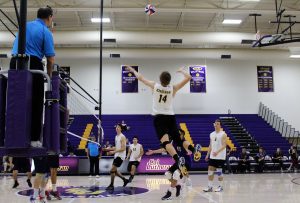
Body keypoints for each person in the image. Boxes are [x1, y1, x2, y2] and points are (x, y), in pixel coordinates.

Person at [126, 66, 201, 170]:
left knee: (165, 143)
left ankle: (178, 159)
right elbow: (189, 77)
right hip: (170, 117)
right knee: (179, 140)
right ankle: (193, 150)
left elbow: (140, 77)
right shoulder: (173, 88)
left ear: (160, 79)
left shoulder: (154, 85)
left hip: (159, 118)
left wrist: (133, 70)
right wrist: (181, 71)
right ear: (169, 80)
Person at [10, 6, 55, 148]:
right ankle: (34, 139)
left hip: (15, 62)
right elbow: (51, 59)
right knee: (36, 102)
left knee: (14, 101)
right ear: (49, 17)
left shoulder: (24, 26)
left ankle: (11, 136)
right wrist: (49, 78)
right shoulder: (45, 31)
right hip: (34, 64)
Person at [203, 119, 227, 192]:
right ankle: (210, 187)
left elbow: (224, 145)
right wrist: (207, 155)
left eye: (217, 124)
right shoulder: (211, 134)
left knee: (219, 172)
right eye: (215, 124)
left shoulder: (223, 134)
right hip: (212, 156)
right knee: (210, 171)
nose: (216, 125)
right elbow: (210, 145)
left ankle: (220, 187)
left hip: (220, 157)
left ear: (220, 125)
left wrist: (217, 152)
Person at [106, 123, 129, 190]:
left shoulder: (122, 137)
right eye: (116, 127)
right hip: (117, 155)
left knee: (112, 170)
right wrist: (108, 149)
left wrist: (113, 152)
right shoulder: (116, 136)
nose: (117, 128)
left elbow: (123, 148)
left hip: (121, 156)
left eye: (118, 127)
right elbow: (117, 147)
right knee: (114, 171)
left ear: (121, 129)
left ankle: (111, 185)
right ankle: (125, 180)